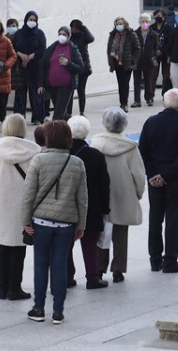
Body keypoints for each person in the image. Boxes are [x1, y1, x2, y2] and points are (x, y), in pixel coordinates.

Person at [22, 120, 88, 325]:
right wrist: (81, 225)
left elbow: (28, 195)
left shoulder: (38, 161)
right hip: (66, 223)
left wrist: (25, 221)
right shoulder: (77, 163)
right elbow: (82, 199)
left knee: (41, 265)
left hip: (41, 222)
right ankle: (58, 311)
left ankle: (39, 308)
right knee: (59, 265)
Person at [0, 114, 40, 301]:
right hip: (24, 204)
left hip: (2, 202)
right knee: (19, 247)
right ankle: (15, 288)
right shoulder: (34, 151)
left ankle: (2, 288)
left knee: (2, 246)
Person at [139, 88, 178, 273]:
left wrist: (153, 174)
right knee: (173, 220)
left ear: (163, 103)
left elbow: (143, 151)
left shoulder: (151, 123)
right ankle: (170, 260)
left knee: (155, 219)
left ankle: (155, 260)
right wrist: (166, 175)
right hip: (175, 180)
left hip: (154, 180)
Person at [91, 107, 145, 283]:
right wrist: (138, 193)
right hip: (123, 193)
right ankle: (118, 269)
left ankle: (99, 268)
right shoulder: (130, 147)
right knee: (121, 232)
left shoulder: (96, 144)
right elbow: (138, 174)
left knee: (101, 232)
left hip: (101, 194)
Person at [66, 116, 109, 289]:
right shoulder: (95, 155)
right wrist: (105, 207)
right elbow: (104, 184)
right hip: (91, 206)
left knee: (66, 245)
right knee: (90, 243)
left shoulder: (63, 154)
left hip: (67, 206)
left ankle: (67, 276)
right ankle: (93, 276)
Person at [43, 26, 85, 121]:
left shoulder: (73, 49)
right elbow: (44, 64)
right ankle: (66, 130)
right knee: (62, 112)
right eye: (60, 34)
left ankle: (55, 132)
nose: (61, 36)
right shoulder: (52, 48)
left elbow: (81, 67)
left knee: (58, 113)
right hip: (52, 85)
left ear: (69, 37)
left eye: (64, 34)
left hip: (66, 86)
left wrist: (68, 63)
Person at [12, 11, 47, 125]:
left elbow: (42, 49)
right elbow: (13, 47)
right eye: (30, 19)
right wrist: (21, 56)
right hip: (21, 67)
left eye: (34, 20)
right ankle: (19, 117)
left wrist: (31, 56)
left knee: (36, 93)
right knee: (20, 94)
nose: (32, 22)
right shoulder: (19, 34)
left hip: (35, 67)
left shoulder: (40, 34)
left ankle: (38, 117)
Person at [106, 18, 140, 112]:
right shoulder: (113, 35)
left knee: (125, 84)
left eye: (121, 23)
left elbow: (137, 48)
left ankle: (124, 103)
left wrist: (133, 60)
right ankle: (122, 102)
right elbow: (109, 50)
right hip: (117, 64)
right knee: (120, 84)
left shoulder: (131, 34)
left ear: (125, 24)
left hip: (127, 63)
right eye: (117, 24)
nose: (119, 26)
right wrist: (111, 62)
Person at [134, 13, 162, 106]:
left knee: (148, 80)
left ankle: (149, 98)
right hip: (137, 60)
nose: (144, 23)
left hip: (148, 60)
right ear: (139, 22)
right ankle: (137, 100)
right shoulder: (135, 34)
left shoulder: (154, 35)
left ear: (149, 22)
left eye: (146, 21)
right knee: (137, 81)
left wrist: (153, 56)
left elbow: (156, 47)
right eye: (143, 21)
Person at [67, 20, 94, 117]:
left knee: (81, 91)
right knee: (71, 90)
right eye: (72, 29)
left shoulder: (83, 36)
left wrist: (84, 28)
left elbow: (91, 39)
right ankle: (69, 112)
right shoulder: (70, 37)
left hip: (83, 67)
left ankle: (82, 112)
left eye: (75, 29)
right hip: (73, 67)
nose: (73, 31)